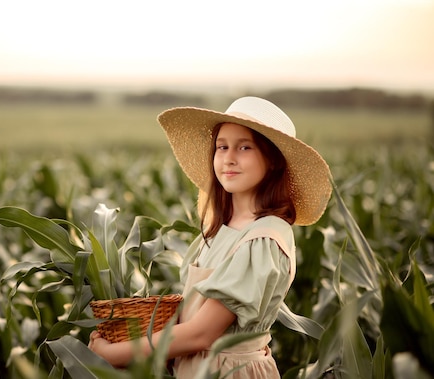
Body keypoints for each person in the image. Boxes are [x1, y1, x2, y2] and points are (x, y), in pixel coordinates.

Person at [88, 96, 332, 378]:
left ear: (274, 161)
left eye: (244, 147)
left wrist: (111, 354)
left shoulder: (265, 236)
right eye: (222, 147)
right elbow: (190, 316)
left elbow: (201, 334)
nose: (229, 158)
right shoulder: (218, 230)